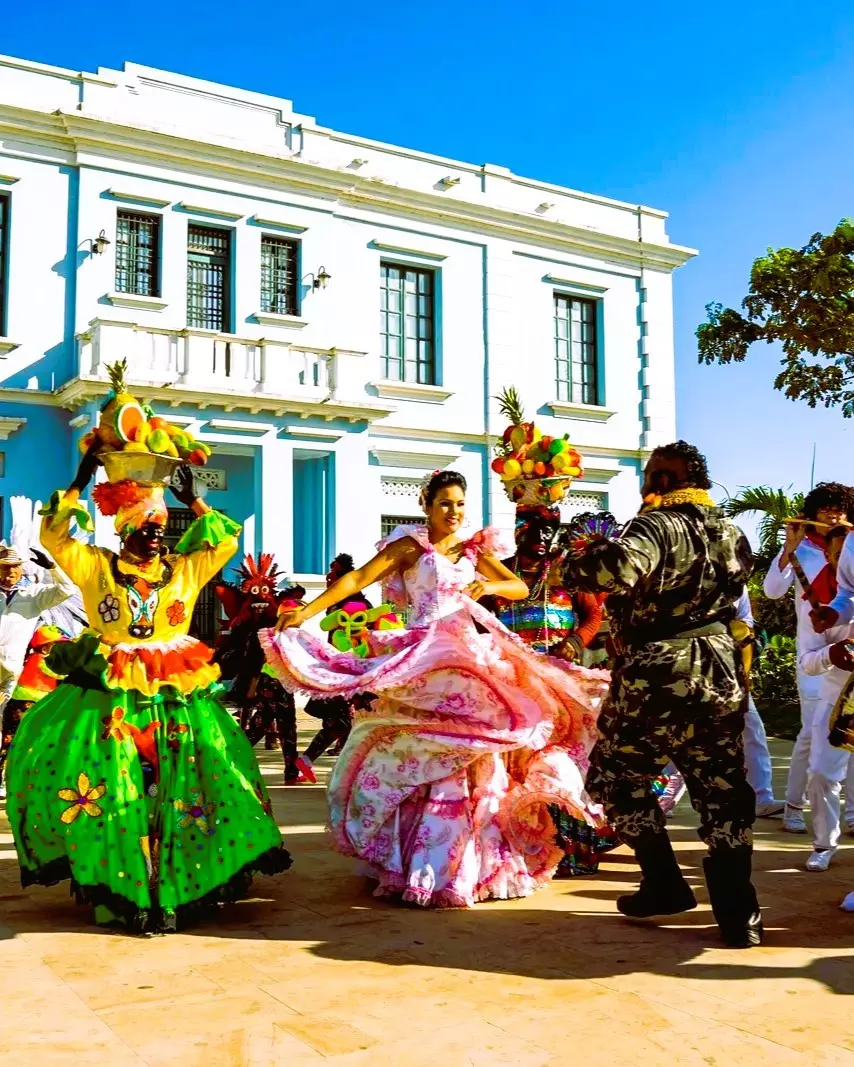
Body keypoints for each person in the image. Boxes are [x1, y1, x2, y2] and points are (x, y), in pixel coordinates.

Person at [261, 469, 608, 907]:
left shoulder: (472, 548)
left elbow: (518, 586)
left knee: (476, 751)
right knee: (423, 743)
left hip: (468, 655)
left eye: (460, 504)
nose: (454, 512)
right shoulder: (410, 547)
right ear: (426, 506)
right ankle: (416, 857)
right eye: (445, 503)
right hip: (424, 653)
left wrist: (489, 584)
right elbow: (357, 579)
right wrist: (307, 611)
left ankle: (465, 861)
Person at [5, 449, 290, 932]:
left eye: (161, 527)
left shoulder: (182, 570)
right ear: (125, 531)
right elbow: (53, 535)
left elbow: (224, 542)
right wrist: (80, 479)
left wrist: (194, 500)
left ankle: (179, 882)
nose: (158, 535)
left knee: (186, 784)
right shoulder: (95, 566)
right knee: (114, 787)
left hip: (175, 694)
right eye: (147, 527)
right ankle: (125, 883)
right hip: (108, 696)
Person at [563, 441, 762, 948]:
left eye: (651, 474)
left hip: (659, 672)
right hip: (718, 668)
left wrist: (579, 556)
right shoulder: (732, 532)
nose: (644, 483)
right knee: (722, 789)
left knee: (614, 777)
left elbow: (613, 572)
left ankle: (664, 881)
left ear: (667, 479)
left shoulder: (656, 525)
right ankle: (740, 916)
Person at [483, 505, 616, 877]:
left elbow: (593, 614)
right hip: (511, 688)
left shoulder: (565, 571)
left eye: (550, 530)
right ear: (519, 530)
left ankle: (575, 846)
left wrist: (574, 641)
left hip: (560, 685)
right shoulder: (499, 575)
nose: (544, 539)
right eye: (536, 530)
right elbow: (478, 622)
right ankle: (524, 844)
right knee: (517, 767)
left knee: (564, 763)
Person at [764, 482, 854, 833]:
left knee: (849, 733)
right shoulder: (802, 549)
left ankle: (851, 813)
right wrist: (789, 547)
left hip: (849, 653)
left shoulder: (852, 546)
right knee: (810, 734)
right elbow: (773, 591)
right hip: (814, 655)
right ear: (813, 513)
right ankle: (793, 807)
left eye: (840, 510)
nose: (833, 517)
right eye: (826, 510)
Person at [214, 554, 306, 783]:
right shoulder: (258, 631)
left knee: (271, 726)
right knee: (274, 726)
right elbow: (254, 659)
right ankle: (235, 761)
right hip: (268, 683)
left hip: (276, 683)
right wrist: (251, 685)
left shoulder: (276, 628)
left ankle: (235, 761)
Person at [795, 525, 854, 871]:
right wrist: (836, 619)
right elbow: (848, 593)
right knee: (820, 772)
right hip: (841, 692)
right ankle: (824, 843)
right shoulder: (814, 600)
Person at [299, 554, 373, 784]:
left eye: (333, 573)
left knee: (346, 723)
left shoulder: (356, 605)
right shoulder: (337, 604)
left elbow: (366, 638)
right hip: (339, 671)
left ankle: (310, 761)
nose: (328, 577)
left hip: (356, 671)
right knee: (340, 722)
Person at [0, 624, 70, 792]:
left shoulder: (35, 658)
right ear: (45, 648)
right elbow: (58, 674)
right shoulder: (42, 660)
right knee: (13, 743)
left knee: (13, 743)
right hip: (24, 706)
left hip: (25, 706)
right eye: (56, 645)